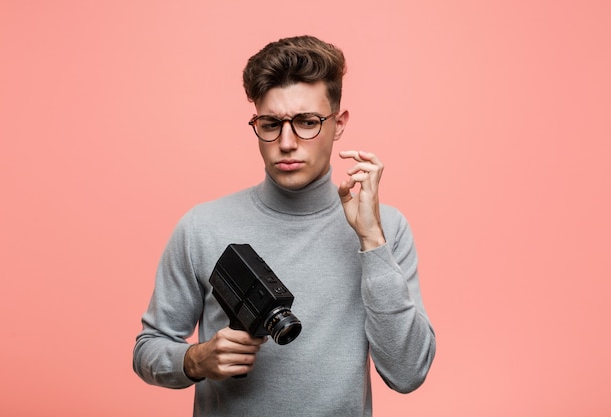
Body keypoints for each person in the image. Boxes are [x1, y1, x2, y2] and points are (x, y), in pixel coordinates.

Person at [133, 35, 436, 417]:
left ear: (338, 124)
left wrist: (372, 241)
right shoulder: (202, 226)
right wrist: (195, 359)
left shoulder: (385, 228)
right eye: (271, 123)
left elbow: (407, 374)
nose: (287, 142)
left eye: (308, 122)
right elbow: (148, 348)